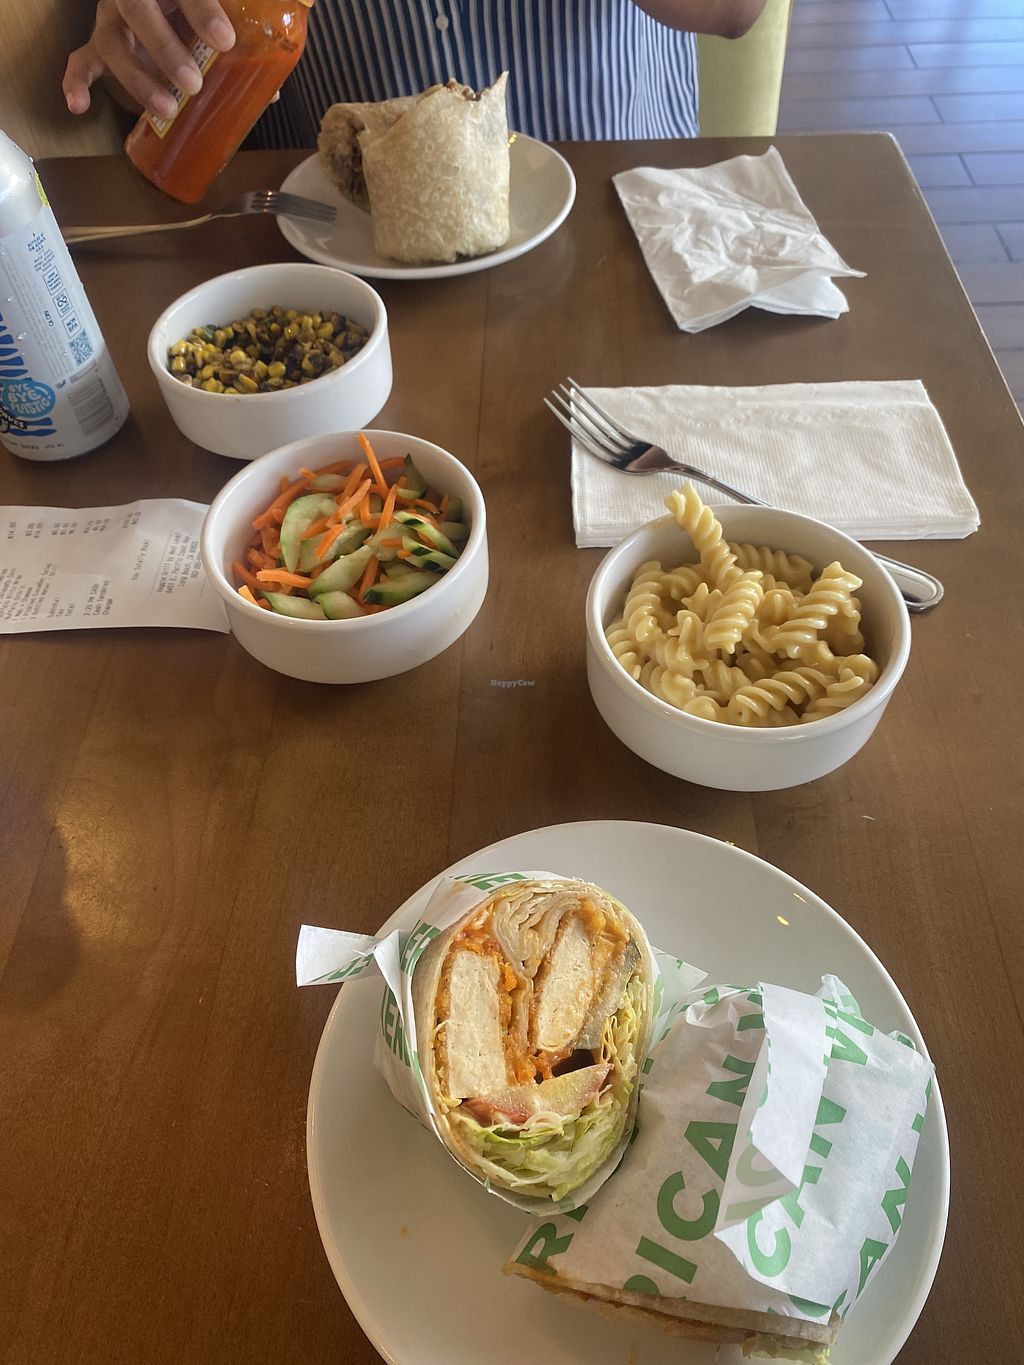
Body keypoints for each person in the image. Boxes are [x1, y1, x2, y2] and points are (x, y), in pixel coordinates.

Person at [63, 0, 767, 146]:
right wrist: (150, 55)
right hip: (343, 251)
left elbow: (736, 10)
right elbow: (144, 89)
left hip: (612, 216)